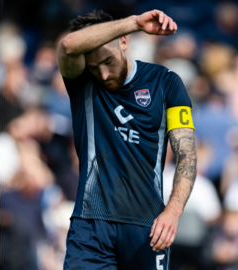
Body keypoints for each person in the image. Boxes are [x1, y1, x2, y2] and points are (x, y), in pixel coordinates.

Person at [57, 10, 197, 269]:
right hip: (91, 225)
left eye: (107, 61)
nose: (103, 74)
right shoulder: (82, 81)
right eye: (93, 66)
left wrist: (173, 212)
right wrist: (134, 23)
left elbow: (187, 154)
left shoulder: (166, 83)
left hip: (148, 226)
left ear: (123, 41)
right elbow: (68, 45)